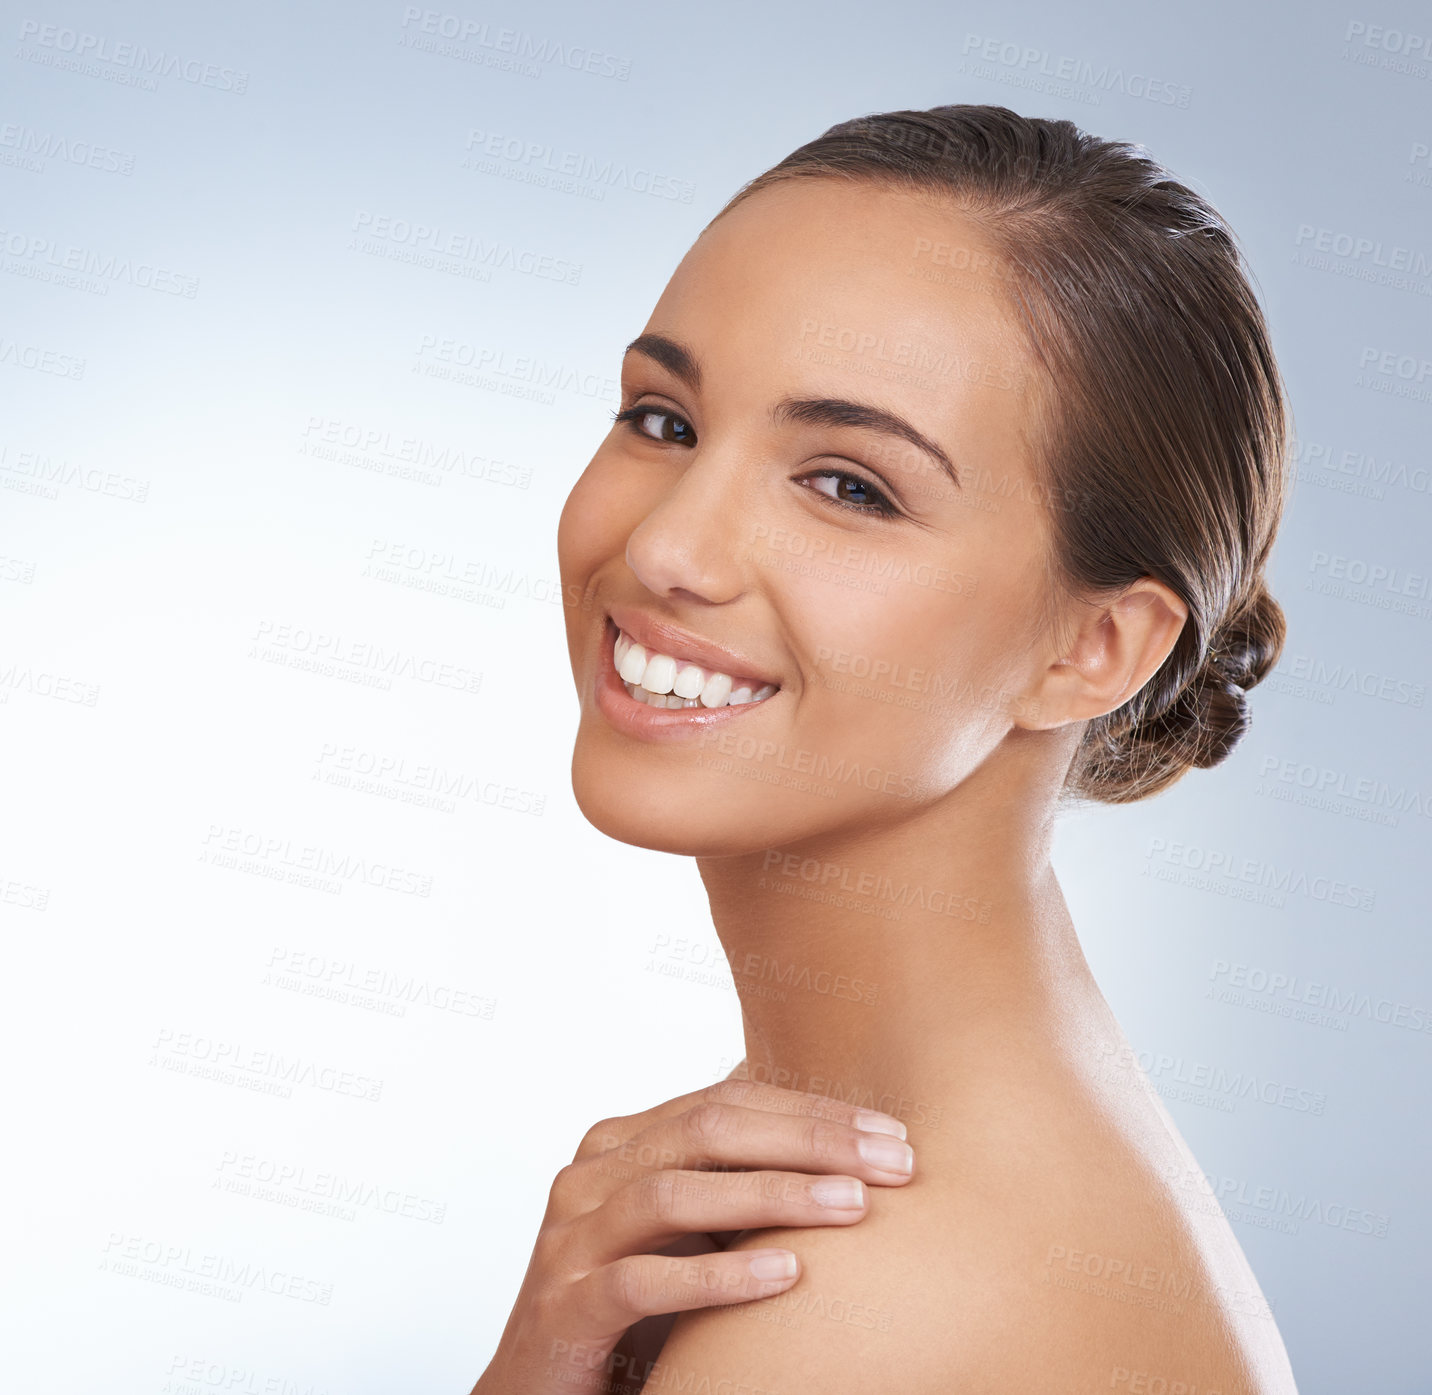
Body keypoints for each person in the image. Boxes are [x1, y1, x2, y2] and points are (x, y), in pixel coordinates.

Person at [473, 104, 1298, 1394]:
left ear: (1094, 648)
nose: (666, 552)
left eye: (849, 485)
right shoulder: (959, 1176)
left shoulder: (855, 1303)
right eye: (664, 421)